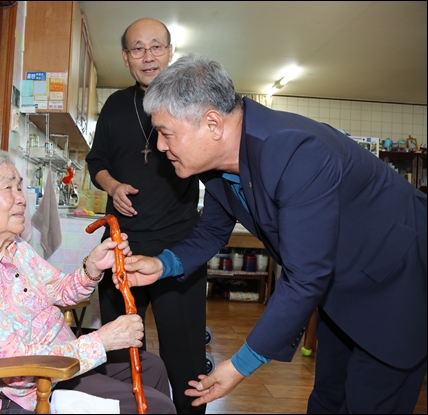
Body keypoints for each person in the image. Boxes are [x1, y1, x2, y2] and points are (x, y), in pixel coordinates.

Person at [122, 53, 427, 413]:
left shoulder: (294, 151)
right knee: (329, 395)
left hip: (397, 282)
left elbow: (305, 275)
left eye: (166, 133)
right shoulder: (219, 164)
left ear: (212, 124)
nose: (160, 146)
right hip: (342, 284)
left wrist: (241, 364)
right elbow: (212, 230)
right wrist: (162, 265)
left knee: (370, 400)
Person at [0, 148, 176, 414]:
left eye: (19, 187)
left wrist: (92, 267)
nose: (21, 199)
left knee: (153, 367)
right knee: (158, 407)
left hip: (58, 364)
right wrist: (101, 341)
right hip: (28, 391)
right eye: (8, 188)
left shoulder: (14, 247)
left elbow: (59, 290)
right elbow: (12, 364)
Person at [85, 18, 208, 414]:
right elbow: (96, 161)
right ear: (126, 58)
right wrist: (112, 186)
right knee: (119, 350)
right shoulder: (115, 106)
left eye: (156, 46)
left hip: (179, 245)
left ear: (170, 52)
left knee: (186, 352)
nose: (148, 56)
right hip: (121, 245)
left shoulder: (192, 102)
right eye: (138, 48)